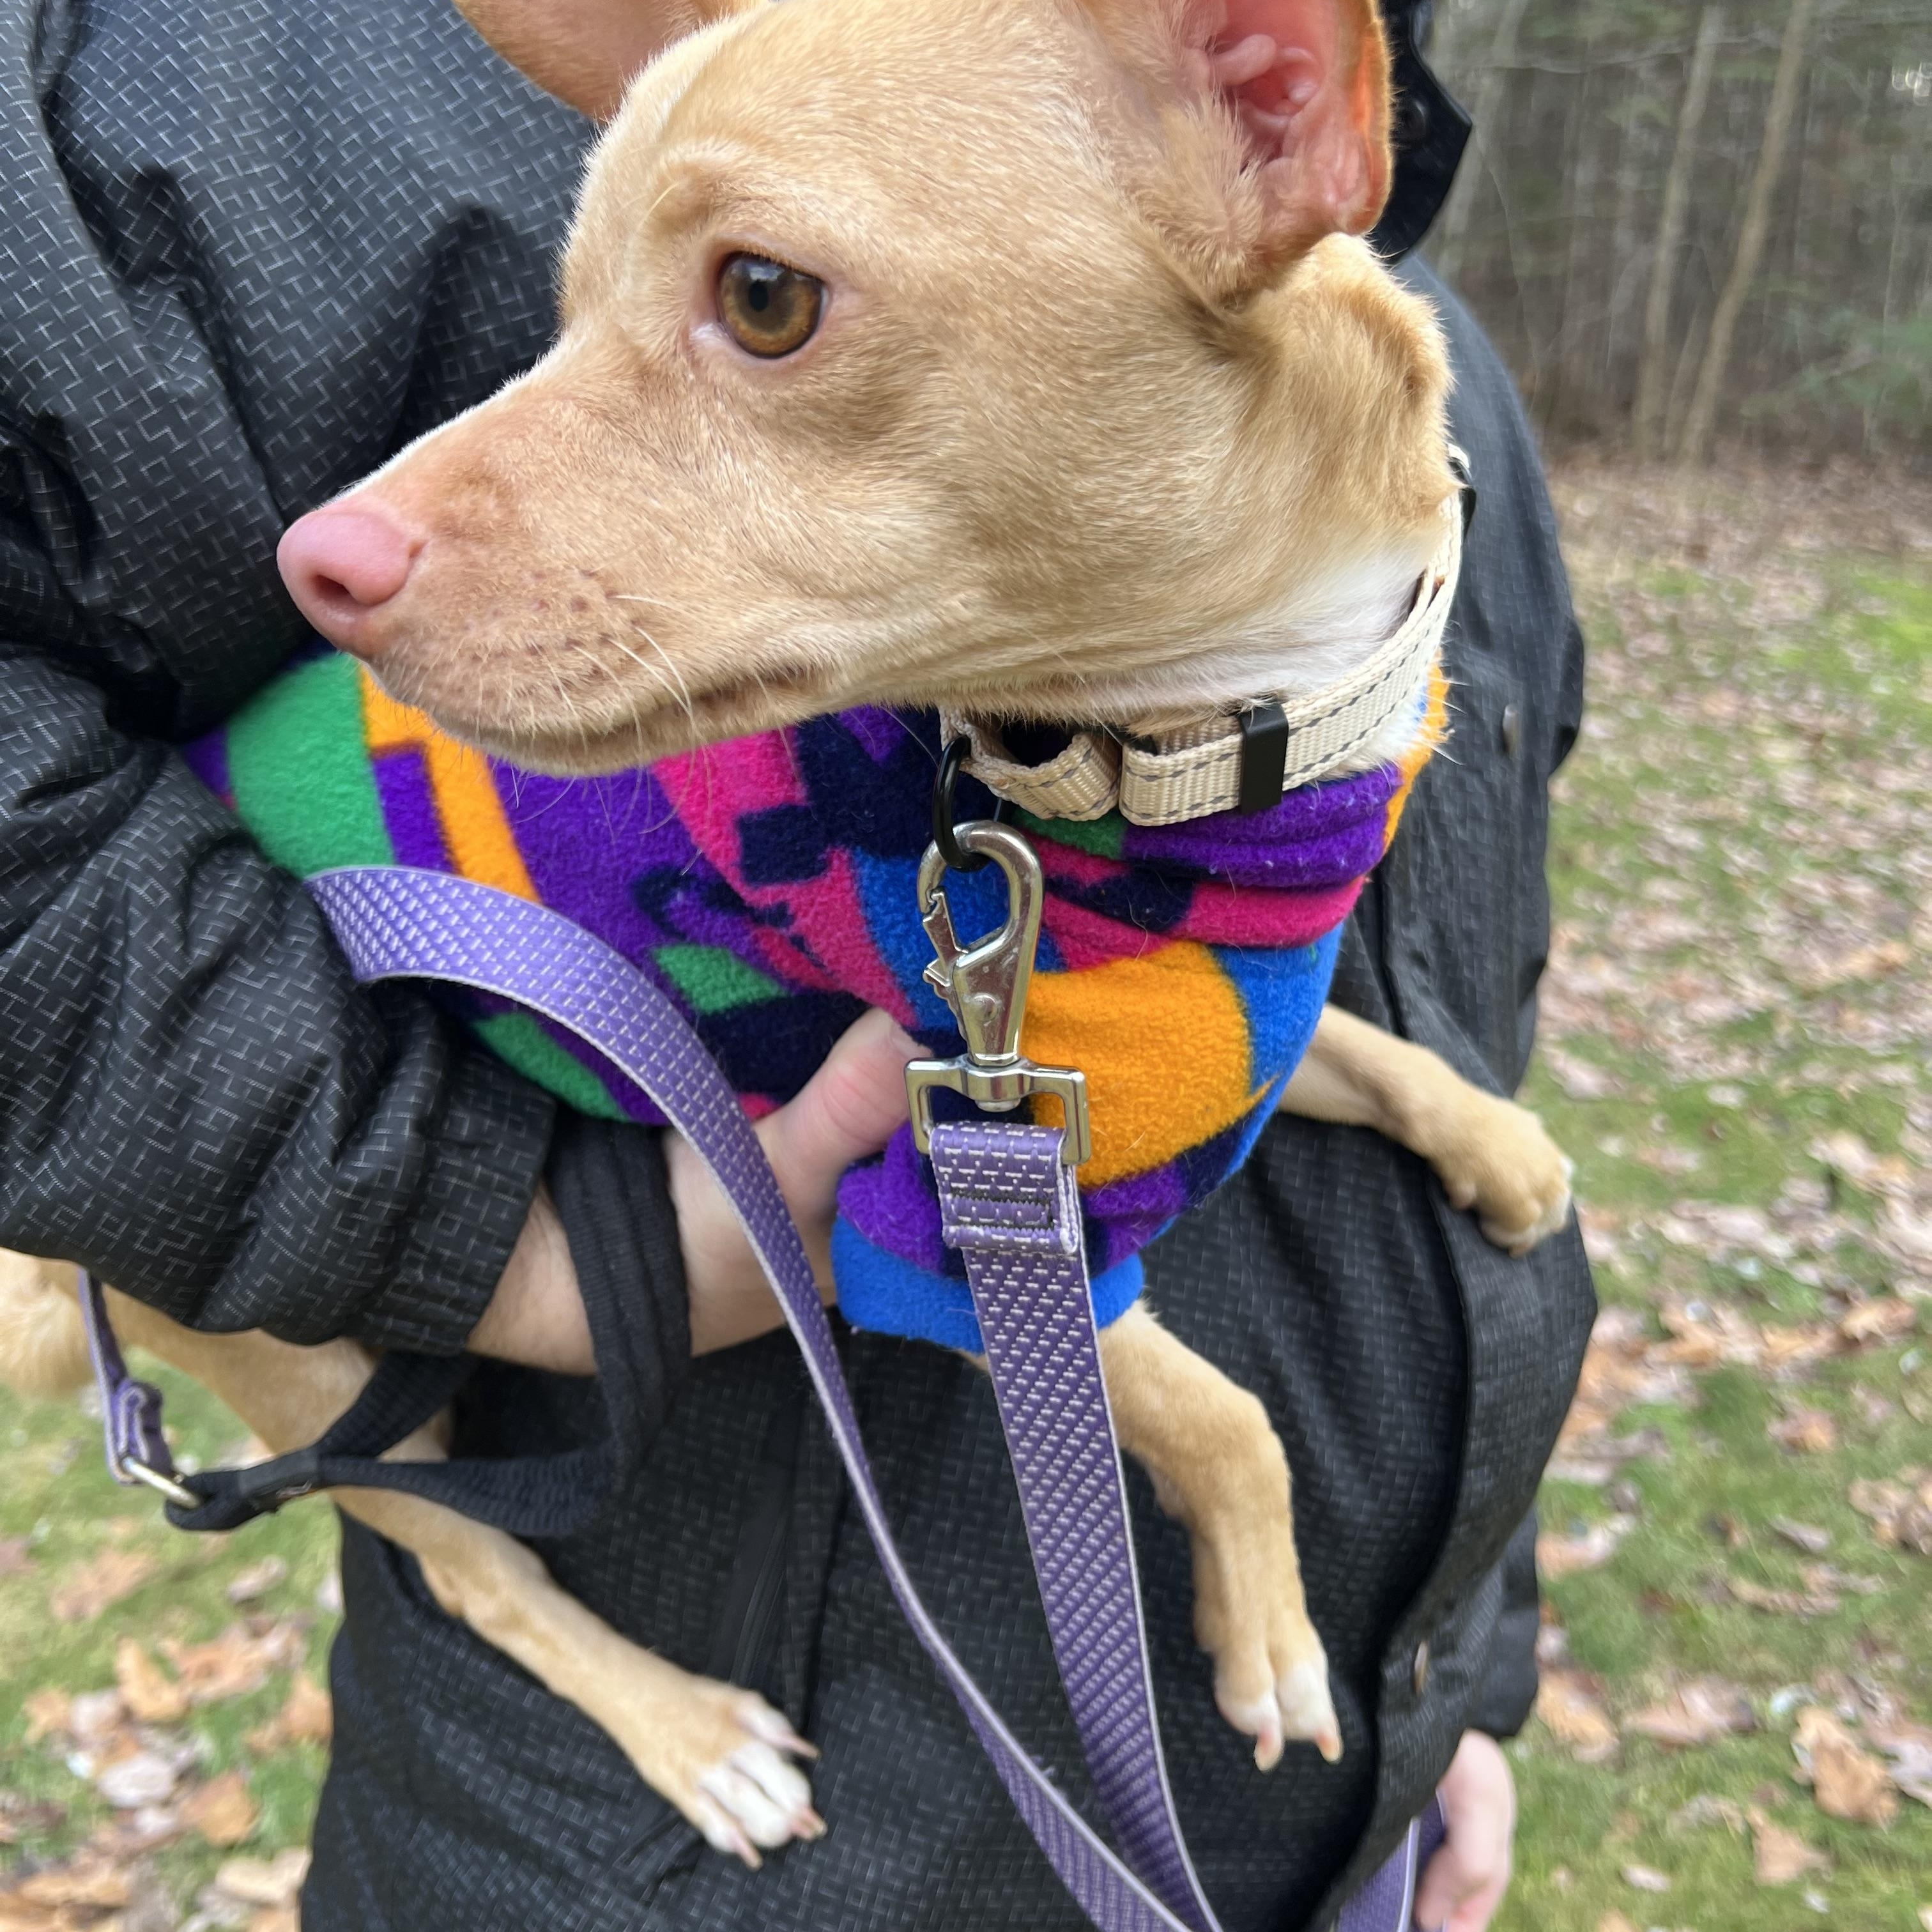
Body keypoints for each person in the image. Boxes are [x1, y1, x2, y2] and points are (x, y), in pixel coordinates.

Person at [0, 1, 1592, 1927]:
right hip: (667, 1841)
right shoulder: (191, 91)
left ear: (1280, 95)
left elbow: (1207, 1000)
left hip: (1351, 1763)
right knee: (423, 1480)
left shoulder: (1421, 424)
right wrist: (492, 1237)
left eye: (762, 301)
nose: (368, 535)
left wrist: (1450, 1667)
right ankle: (580, 1660)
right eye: (764, 302)